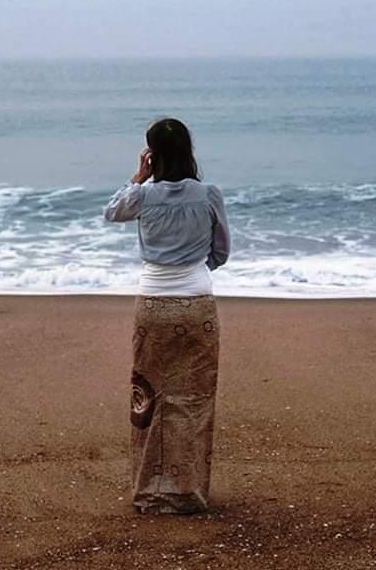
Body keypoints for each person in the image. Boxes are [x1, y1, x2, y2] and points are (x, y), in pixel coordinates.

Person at [103, 117, 231, 514]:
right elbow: (221, 252)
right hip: (197, 305)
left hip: (153, 306)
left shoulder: (143, 196)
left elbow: (112, 212)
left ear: (152, 154)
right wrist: (193, 271)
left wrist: (138, 177)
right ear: (188, 151)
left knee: (149, 396)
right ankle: (188, 493)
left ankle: (150, 493)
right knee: (194, 398)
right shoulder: (209, 194)